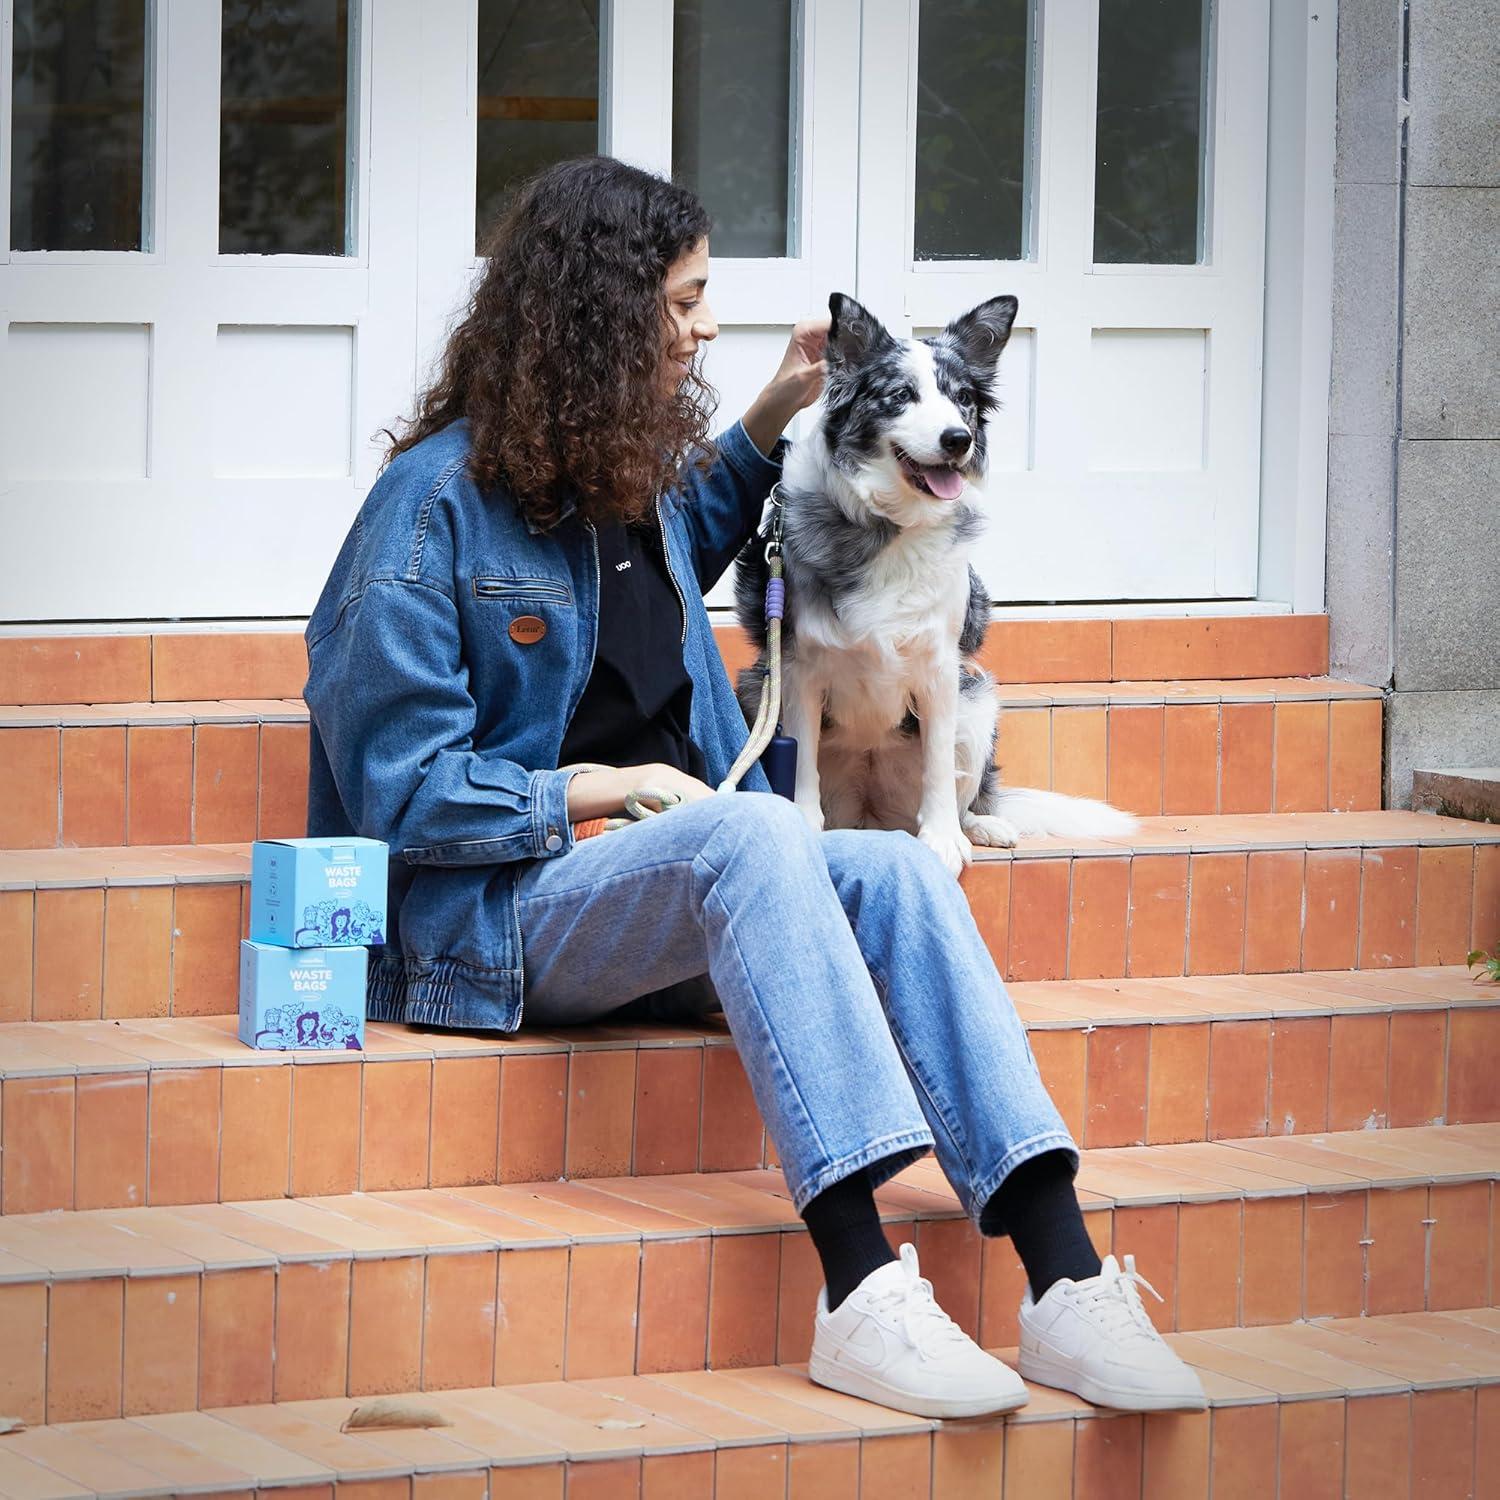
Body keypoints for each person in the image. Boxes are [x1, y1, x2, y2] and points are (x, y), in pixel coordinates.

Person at [303, 155, 1204, 1419]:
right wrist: (606, 787)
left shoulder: (626, 487)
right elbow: (400, 792)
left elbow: (704, 515)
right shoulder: (426, 513)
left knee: (889, 864)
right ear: (596, 321)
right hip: (498, 918)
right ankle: (862, 1291)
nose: (708, 324)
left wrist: (787, 403)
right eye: (682, 302)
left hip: (663, 885)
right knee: (751, 831)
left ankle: (1066, 1277)